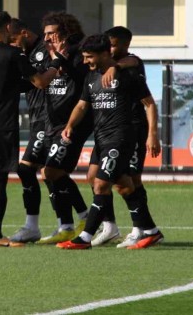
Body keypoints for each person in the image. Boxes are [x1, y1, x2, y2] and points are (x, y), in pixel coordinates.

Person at [57, 34, 162, 250]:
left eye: (89, 57)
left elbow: (150, 104)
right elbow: (82, 105)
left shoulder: (128, 75)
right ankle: (151, 231)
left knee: (101, 184)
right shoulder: (91, 76)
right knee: (122, 185)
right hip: (101, 138)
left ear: (105, 54)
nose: (85, 61)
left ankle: (85, 238)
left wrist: (153, 134)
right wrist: (69, 126)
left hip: (121, 138)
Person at [0, 11, 59, 248]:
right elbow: (40, 82)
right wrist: (56, 64)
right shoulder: (13, 53)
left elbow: (6, 85)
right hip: (2, 122)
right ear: (8, 27)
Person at [87, 26, 163, 248]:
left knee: (131, 180)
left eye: (113, 45)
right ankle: (109, 226)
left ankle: (140, 229)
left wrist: (152, 134)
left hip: (132, 129)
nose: (109, 49)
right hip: (108, 131)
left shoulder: (132, 64)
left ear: (125, 45)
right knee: (94, 176)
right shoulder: (99, 68)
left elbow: (148, 101)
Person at [35, 12, 92, 245]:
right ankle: (66, 226)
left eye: (52, 33)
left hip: (72, 124)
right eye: (45, 34)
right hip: (51, 122)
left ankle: (86, 218)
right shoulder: (45, 54)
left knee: (50, 172)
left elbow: (81, 78)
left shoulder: (79, 53)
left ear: (66, 32)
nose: (47, 38)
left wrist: (61, 58)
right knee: (51, 174)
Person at [7, 18, 51, 244]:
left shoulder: (43, 50)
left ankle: (32, 226)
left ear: (24, 33)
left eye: (13, 40)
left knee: (26, 169)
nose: (12, 45)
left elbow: (40, 81)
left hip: (47, 118)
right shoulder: (26, 53)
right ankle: (75, 220)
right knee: (51, 173)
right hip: (37, 117)